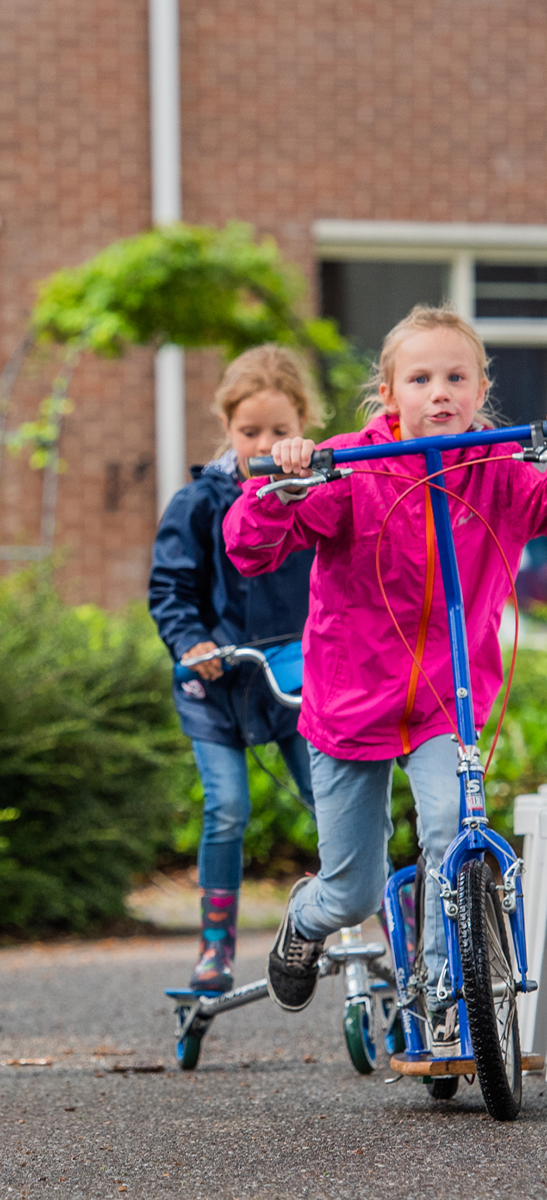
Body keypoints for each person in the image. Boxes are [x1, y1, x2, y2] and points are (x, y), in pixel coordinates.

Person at [224, 306, 547, 1047]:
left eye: (456, 377)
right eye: (421, 377)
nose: (440, 392)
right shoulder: (351, 466)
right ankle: (305, 921)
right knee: (354, 889)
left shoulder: (499, 472)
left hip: (447, 699)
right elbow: (249, 548)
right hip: (351, 697)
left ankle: (440, 1000)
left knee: (449, 833)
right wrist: (289, 484)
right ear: (389, 391)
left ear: (481, 389)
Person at [149, 345, 317, 994]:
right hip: (218, 679)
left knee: (332, 804)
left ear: (303, 422)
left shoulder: (316, 492)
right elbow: (170, 588)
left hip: (298, 677)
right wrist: (192, 643)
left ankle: (382, 930)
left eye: (280, 430)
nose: (266, 444)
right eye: (250, 432)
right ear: (227, 426)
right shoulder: (199, 501)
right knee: (227, 809)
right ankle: (215, 946)